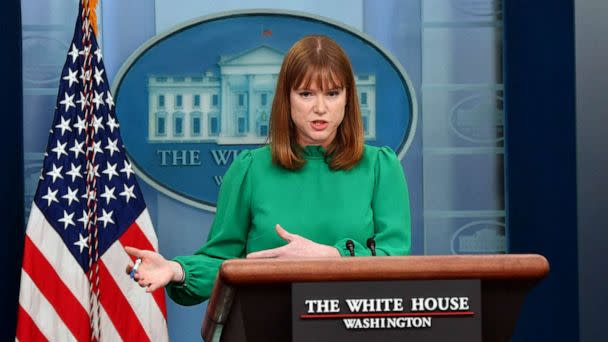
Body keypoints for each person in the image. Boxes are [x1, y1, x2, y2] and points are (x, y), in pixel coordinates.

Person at [125, 35, 411, 306]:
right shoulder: (250, 170)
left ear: (348, 99)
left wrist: (329, 256)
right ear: (287, 99)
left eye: (333, 93)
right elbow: (224, 263)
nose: (320, 108)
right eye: (306, 93)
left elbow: (395, 259)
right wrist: (176, 270)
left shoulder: (380, 168)